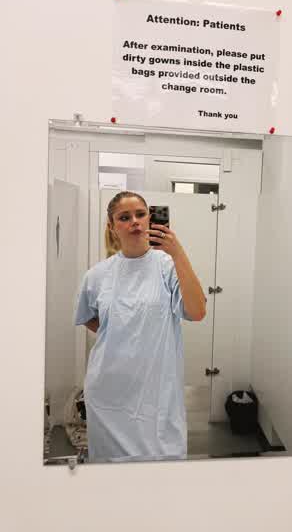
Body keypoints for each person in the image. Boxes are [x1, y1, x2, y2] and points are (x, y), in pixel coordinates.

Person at [74, 191, 206, 463]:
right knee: (112, 476)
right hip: (109, 393)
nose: (134, 221)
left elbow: (197, 311)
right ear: (112, 227)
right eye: (124, 217)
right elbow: (87, 317)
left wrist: (177, 252)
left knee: (163, 469)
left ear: (150, 219)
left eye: (140, 214)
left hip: (157, 394)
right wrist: (123, 335)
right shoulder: (97, 275)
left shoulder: (168, 266)